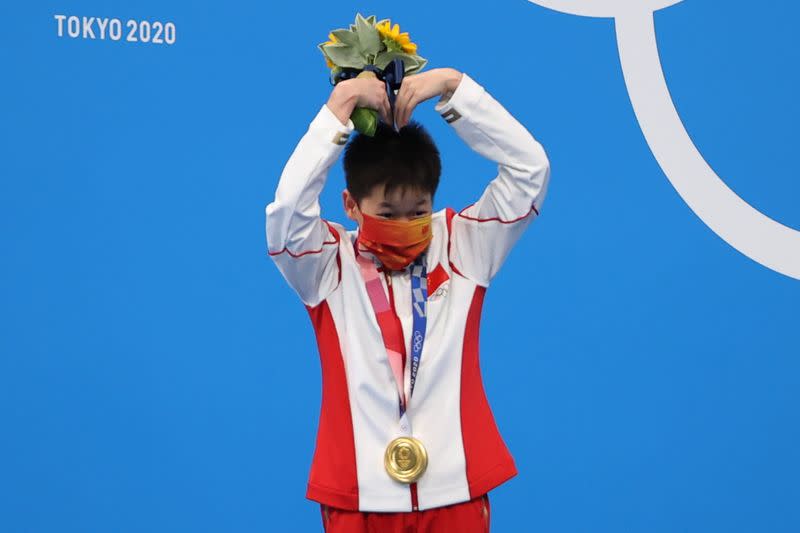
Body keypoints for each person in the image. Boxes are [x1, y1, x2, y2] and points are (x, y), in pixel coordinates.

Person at [265, 66, 550, 532]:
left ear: (434, 201)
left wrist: (456, 89)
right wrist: (338, 111)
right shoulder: (326, 265)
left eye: (418, 211)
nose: (404, 223)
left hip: (454, 491)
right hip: (358, 497)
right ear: (351, 206)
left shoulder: (464, 246)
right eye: (386, 213)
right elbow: (286, 215)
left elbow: (530, 171)